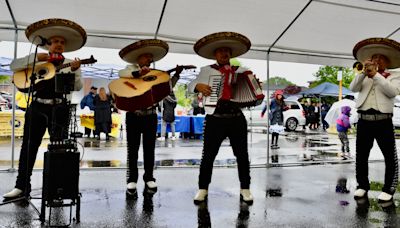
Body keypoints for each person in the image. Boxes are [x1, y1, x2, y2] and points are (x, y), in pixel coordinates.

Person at [3, 18, 85, 200]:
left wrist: (75, 71)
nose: (59, 45)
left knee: (59, 149)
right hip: (37, 106)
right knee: (28, 147)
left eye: (62, 43)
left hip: (59, 109)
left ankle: (57, 189)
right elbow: (13, 66)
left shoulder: (71, 63)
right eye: (56, 41)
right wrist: (35, 58)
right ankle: (21, 187)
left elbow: (78, 87)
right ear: (48, 44)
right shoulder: (38, 60)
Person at [188, 32, 255, 205]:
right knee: (208, 155)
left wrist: (256, 91)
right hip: (214, 118)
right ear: (215, 54)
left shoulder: (242, 71)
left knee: (242, 155)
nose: (224, 53)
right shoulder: (206, 71)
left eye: (227, 51)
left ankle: (245, 189)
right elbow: (189, 86)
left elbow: (254, 93)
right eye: (220, 51)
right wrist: (197, 86)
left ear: (230, 54)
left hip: (236, 118)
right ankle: (202, 188)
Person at [118, 39, 183, 197]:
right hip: (133, 115)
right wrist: (139, 73)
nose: (150, 59)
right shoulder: (129, 70)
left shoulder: (154, 74)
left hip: (151, 115)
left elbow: (166, 89)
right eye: (147, 56)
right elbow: (122, 74)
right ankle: (132, 179)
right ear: (139, 58)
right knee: (132, 150)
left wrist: (176, 75)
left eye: (151, 57)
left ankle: (149, 177)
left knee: (149, 149)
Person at [350, 37, 400, 203]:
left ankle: (389, 189)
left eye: (380, 58)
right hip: (364, 119)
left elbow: (392, 92)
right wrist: (363, 73)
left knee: (389, 156)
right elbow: (353, 88)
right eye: (374, 57)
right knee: (361, 155)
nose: (376, 60)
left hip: (383, 121)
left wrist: (376, 75)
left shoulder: (394, 76)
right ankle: (362, 185)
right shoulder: (364, 75)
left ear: (387, 61)